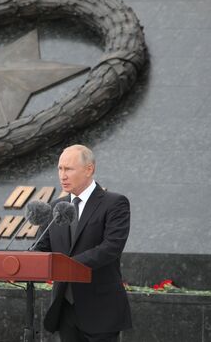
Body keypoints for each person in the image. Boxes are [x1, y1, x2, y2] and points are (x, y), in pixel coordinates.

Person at [33, 144, 132, 342]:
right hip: (65, 309)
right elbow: (42, 248)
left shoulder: (114, 203)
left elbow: (111, 247)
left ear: (89, 169)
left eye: (68, 169)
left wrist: (69, 265)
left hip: (101, 310)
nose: (62, 175)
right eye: (60, 169)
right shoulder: (56, 207)